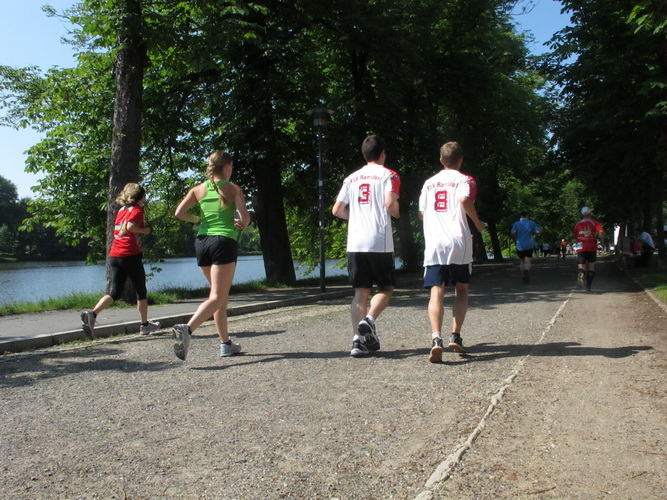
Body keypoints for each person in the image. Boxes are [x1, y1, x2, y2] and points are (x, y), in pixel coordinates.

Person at [171, 151, 251, 360]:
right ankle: (187, 329)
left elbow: (179, 213)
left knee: (219, 297)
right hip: (223, 242)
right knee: (217, 297)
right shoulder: (233, 189)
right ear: (227, 166)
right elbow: (245, 218)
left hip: (202, 243)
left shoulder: (198, 189)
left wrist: (197, 219)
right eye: (232, 166)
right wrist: (241, 223)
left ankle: (226, 344)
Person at [332, 135, 400, 358]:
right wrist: (397, 212)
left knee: (360, 293)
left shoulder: (351, 179)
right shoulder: (389, 175)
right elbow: (390, 204)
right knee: (386, 288)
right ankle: (369, 320)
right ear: (383, 154)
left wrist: (356, 218)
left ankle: (358, 342)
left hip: (356, 241)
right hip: (379, 240)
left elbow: (337, 210)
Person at [418, 141, 485, 363]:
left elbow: (421, 213)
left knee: (436, 290)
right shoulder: (466, 180)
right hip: (458, 241)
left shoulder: (428, 183)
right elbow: (465, 200)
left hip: (435, 242)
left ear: (441, 160)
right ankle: (455, 335)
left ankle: (436, 338)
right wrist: (478, 223)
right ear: (461, 160)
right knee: (462, 289)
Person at [80, 183, 161, 337]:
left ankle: (93, 314)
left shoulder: (122, 210)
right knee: (141, 290)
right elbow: (130, 227)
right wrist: (145, 230)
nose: (145, 199)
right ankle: (144, 326)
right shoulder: (137, 210)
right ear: (140, 197)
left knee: (115, 292)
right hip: (130, 255)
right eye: (144, 196)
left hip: (115, 255)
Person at [573, 206, 605, 291]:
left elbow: (575, 237)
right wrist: (601, 241)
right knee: (591, 266)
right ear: (590, 213)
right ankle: (588, 287)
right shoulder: (594, 222)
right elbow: (601, 232)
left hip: (581, 245)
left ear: (581, 214)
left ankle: (581, 273)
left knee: (581, 265)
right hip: (591, 245)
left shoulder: (577, 224)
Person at [510, 212, 541, 282]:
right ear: (527, 216)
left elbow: (513, 232)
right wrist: (535, 233)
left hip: (519, 245)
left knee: (522, 261)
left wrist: (515, 236)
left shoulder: (516, 223)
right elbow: (538, 231)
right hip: (529, 244)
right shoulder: (532, 223)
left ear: (521, 216)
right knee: (528, 260)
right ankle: (526, 270)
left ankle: (523, 276)